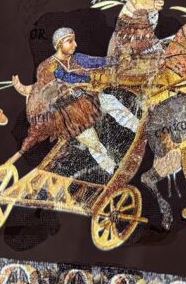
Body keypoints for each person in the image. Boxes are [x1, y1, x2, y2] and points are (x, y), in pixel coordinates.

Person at [13, 27, 138, 174]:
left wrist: (118, 59)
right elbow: (55, 82)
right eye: (70, 41)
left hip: (85, 98)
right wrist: (88, 78)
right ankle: (111, 168)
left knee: (110, 102)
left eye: (74, 40)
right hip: (69, 113)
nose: (75, 44)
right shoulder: (47, 66)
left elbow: (98, 62)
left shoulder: (77, 58)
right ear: (59, 44)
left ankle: (137, 127)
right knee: (92, 141)